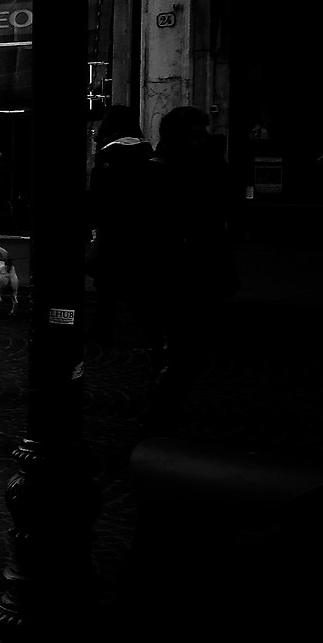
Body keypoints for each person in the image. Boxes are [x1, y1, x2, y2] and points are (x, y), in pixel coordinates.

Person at [139, 107, 236, 433]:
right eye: (196, 135)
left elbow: (223, 203)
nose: (201, 141)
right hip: (176, 277)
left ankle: (161, 412)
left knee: (182, 354)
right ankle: (158, 416)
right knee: (181, 354)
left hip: (190, 273)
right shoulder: (161, 172)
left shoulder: (192, 169)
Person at [87, 107, 152, 348]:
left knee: (109, 285)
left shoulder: (109, 154)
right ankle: (150, 330)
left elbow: (99, 195)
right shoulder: (145, 151)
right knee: (134, 283)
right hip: (139, 228)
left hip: (113, 228)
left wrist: (94, 224)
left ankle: (103, 329)